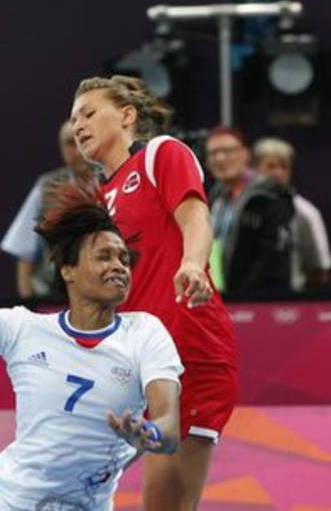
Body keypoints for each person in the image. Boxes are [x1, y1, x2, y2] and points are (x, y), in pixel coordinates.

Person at [0, 185, 182, 510]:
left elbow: (169, 426)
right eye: (104, 256)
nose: (119, 266)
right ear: (68, 270)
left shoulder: (145, 333)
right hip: (12, 501)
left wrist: (151, 434)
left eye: (124, 259)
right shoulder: (23, 329)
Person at [69, 75, 237, 510]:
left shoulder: (161, 154)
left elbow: (195, 215)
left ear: (127, 116)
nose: (78, 126)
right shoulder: (101, 197)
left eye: (89, 113)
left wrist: (192, 263)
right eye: (74, 119)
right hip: (135, 363)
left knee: (166, 505)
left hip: (188, 349)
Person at [0, 120, 95, 299]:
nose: (77, 150)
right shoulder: (47, 187)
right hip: (54, 292)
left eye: (81, 140)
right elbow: (25, 252)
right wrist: (29, 304)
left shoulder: (114, 182)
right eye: (70, 143)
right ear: (61, 149)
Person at [206, 127, 293, 294]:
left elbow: (274, 258)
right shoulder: (214, 198)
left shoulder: (269, 195)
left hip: (260, 300)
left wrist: (246, 294)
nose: (220, 158)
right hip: (222, 296)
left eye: (228, 151)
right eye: (213, 153)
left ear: (245, 154)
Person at [253, 137, 330, 292]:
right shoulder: (242, 207)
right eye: (271, 166)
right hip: (241, 298)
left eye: (284, 167)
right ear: (255, 168)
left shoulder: (306, 213)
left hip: (290, 299)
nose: (278, 173)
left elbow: (320, 269)